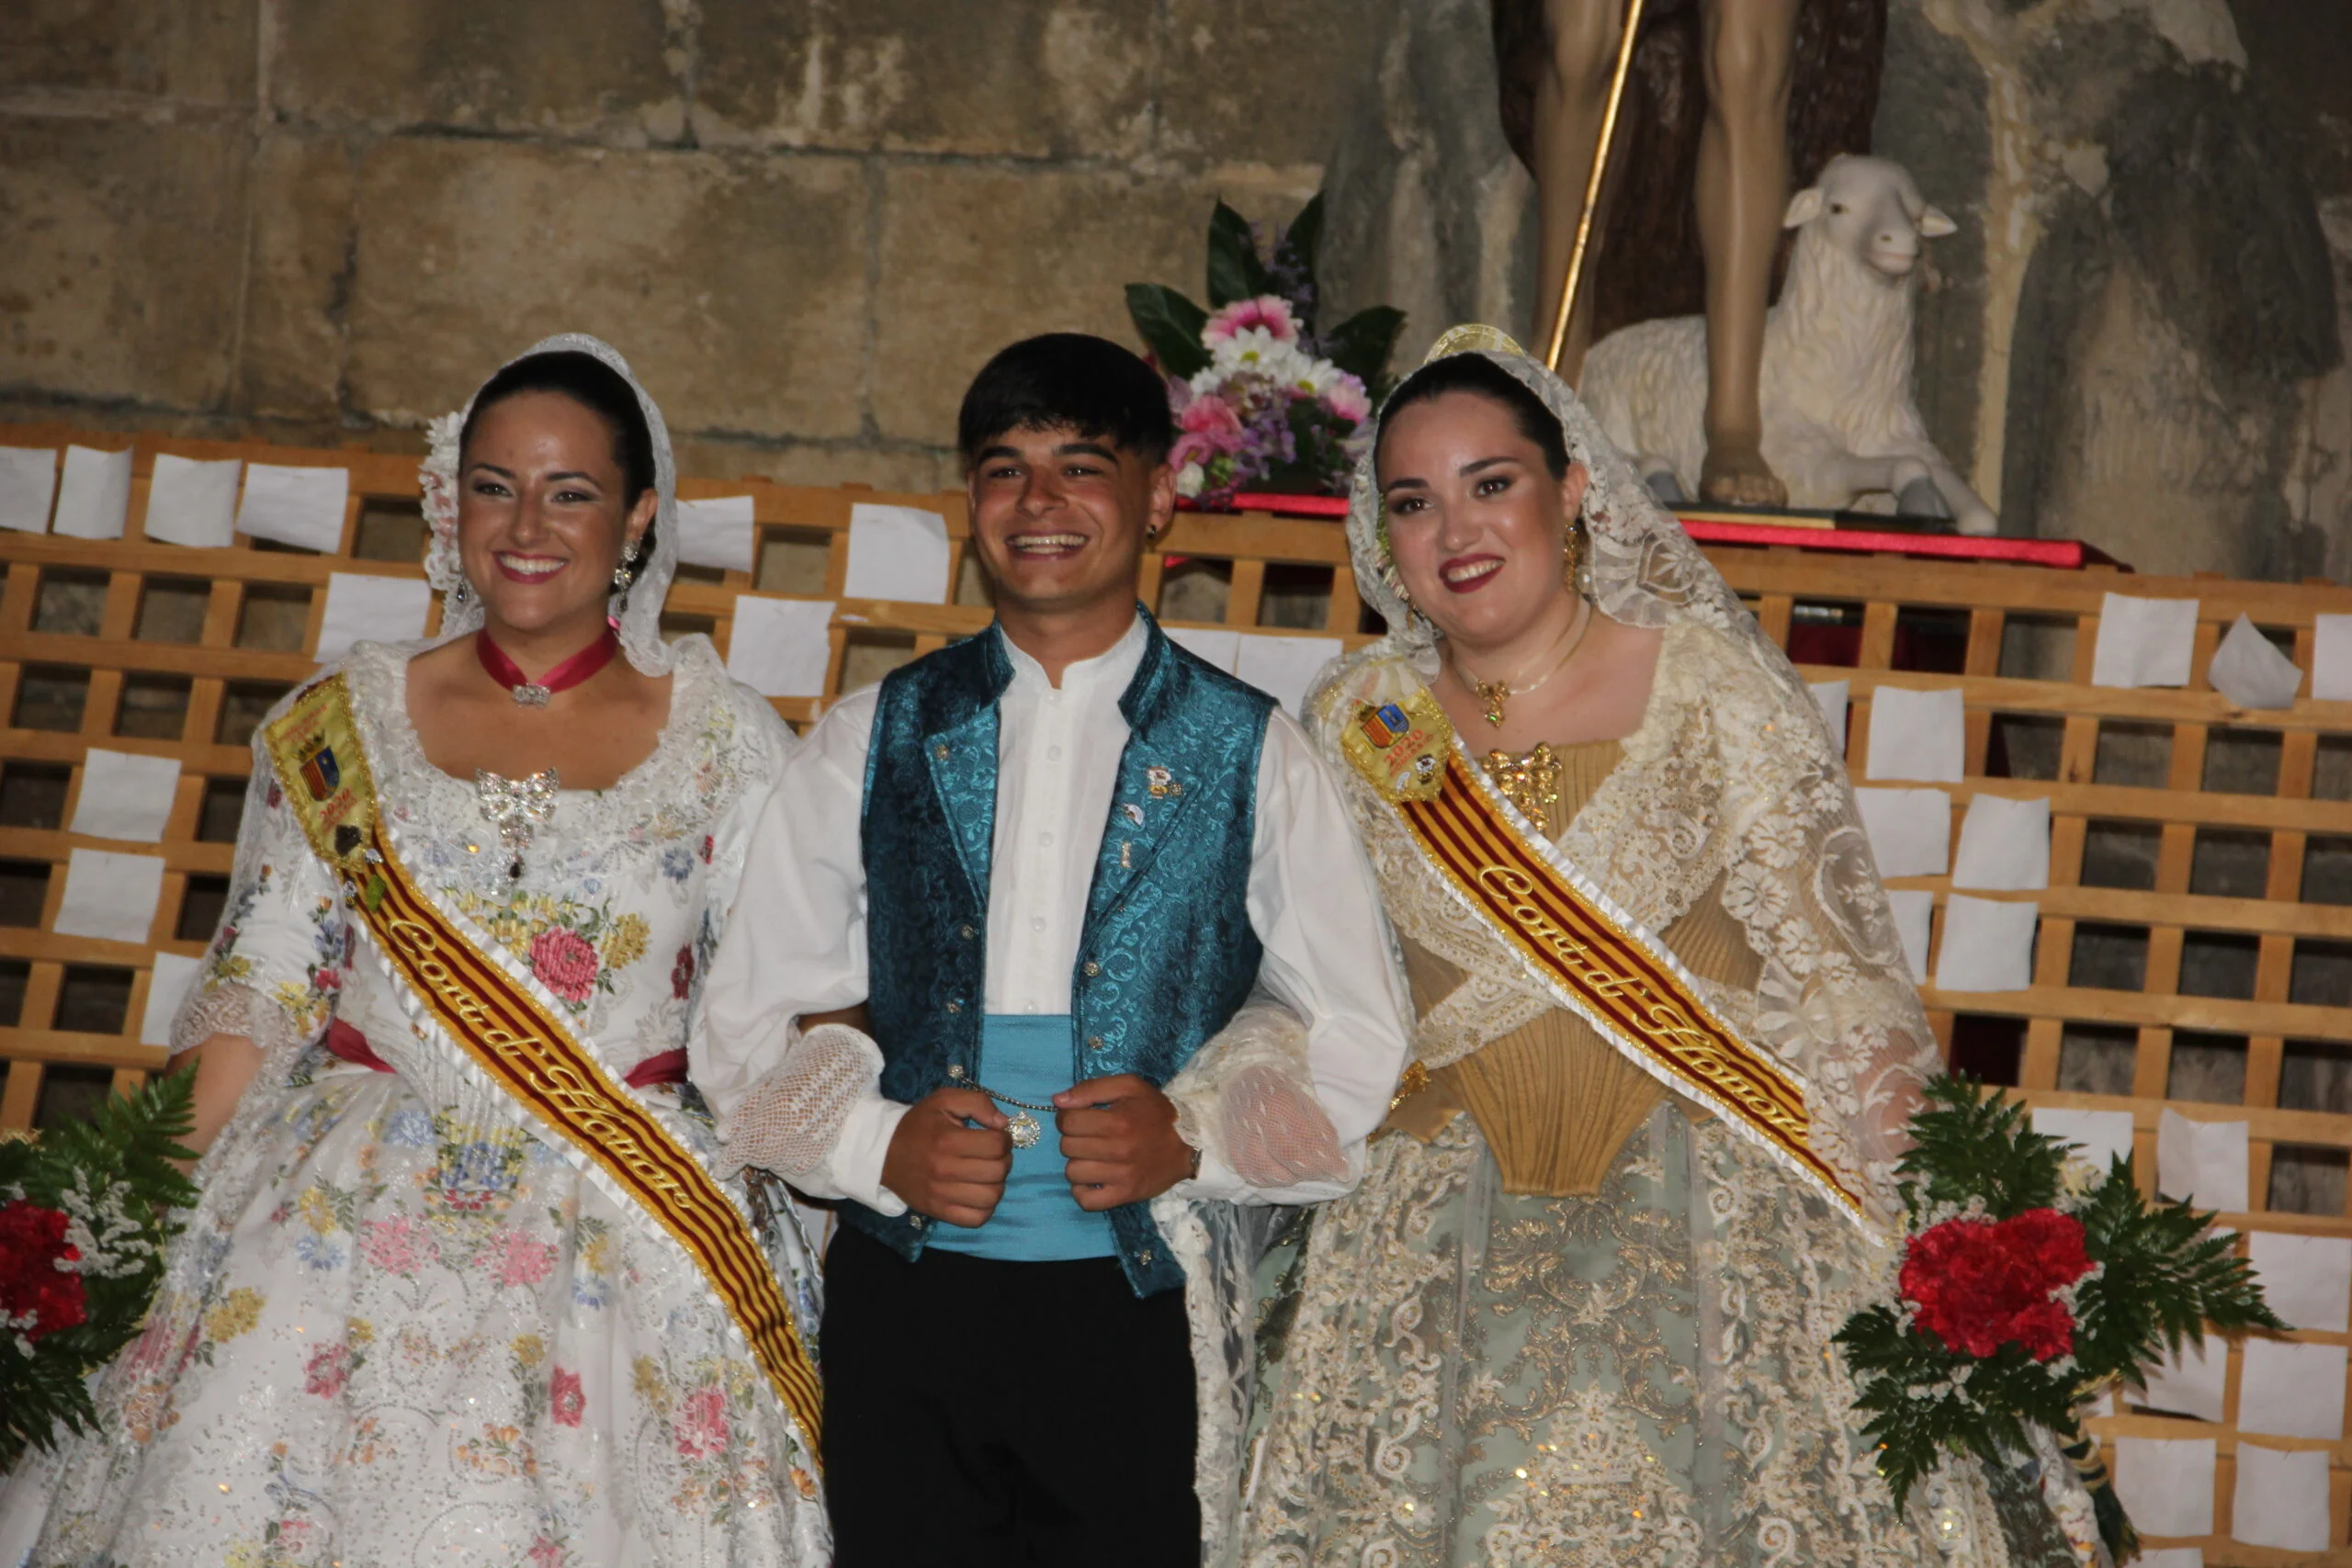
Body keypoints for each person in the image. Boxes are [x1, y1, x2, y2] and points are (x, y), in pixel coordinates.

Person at [1238, 327, 2098, 1565]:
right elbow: (1293, 972)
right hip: (1425, 1231)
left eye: (1493, 484)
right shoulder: (1354, 718)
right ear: (1383, 535)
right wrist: (1266, 1061)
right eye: (1414, 502)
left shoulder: (1710, 688)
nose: (1456, 531)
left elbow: (1845, 984)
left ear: (1573, 487)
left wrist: (1927, 1231)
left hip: (1716, 1217)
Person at [21, 337, 830, 1567]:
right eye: (494, 483)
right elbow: (264, 986)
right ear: (452, 501)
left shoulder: (729, 742)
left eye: (570, 492)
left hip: (622, 1237)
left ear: (639, 515)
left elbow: (769, 1015)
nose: (526, 523)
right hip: (334, 1229)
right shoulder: (342, 719)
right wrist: (114, 1221)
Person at [696, 333, 1414, 1568]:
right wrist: (880, 1140)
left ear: (1157, 496)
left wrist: (1189, 1132)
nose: (1040, 502)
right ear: (965, 506)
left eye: (1082, 465)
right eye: (1003, 469)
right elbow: (743, 1024)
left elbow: (1359, 1024)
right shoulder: (877, 734)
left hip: (1132, 1311)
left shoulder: (1254, 750)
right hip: (909, 1303)